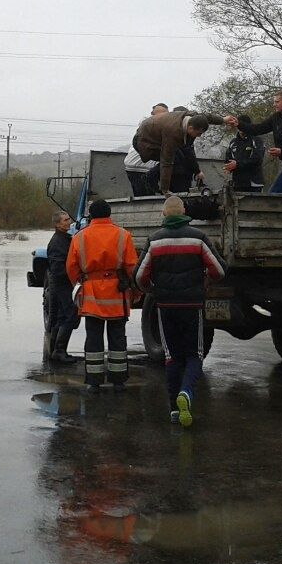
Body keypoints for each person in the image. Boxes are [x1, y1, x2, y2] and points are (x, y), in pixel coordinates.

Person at [135, 195, 227, 427]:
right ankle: (186, 392)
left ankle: (175, 410)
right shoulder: (198, 238)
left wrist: (153, 290)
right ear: (185, 212)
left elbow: (139, 276)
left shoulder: (154, 241)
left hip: (165, 306)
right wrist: (206, 281)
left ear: (164, 214)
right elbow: (219, 270)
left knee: (172, 357)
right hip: (192, 306)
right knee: (194, 355)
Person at [67, 199, 139, 392]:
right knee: (117, 338)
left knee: (93, 337)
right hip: (117, 294)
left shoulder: (79, 237)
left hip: (91, 295)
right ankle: (118, 381)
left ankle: (94, 381)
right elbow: (132, 266)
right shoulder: (123, 235)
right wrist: (136, 290)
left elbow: (71, 267)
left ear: (91, 215)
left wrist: (81, 284)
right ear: (109, 214)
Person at [133, 109, 235, 195]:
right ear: (190, 128)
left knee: (179, 156)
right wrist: (165, 190)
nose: (199, 136)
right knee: (175, 159)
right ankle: (150, 178)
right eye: (198, 133)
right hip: (144, 141)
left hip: (154, 132)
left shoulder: (193, 116)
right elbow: (166, 162)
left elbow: (207, 117)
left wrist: (223, 120)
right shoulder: (173, 134)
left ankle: (156, 179)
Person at [227, 90, 282, 194]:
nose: (274, 104)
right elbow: (258, 129)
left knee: (273, 194)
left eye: (277, 102)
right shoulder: (276, 118)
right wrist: (239, 124)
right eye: (274, 102)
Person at [45, 210, 79, 364]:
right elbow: (58, 268)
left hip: (63, 284)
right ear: (57, 224)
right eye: (65, 220)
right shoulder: (57, 242)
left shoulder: (64, 239)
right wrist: (74, 276)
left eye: (68, 219)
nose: (69, 222)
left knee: (61, 316)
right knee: (70, 315)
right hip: (63, 284)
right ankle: (59, 351)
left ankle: (55, 351)